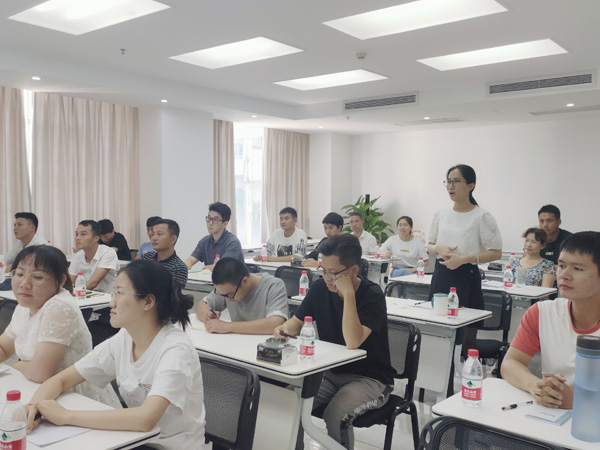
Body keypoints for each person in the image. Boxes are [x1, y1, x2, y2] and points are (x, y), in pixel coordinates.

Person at [25, 260, 208, 449]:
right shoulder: (124, 338)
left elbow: (145, 419)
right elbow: (61, 380)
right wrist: (35, 407)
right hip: (135, 440)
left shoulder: (175, 350)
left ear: (148, 302)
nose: (111, 302)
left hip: (170, 445)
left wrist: (66, 416)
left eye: (119, 293)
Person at [275, 234, 395, 450]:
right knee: (291, 401)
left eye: (333, 273)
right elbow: (295, 324)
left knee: (336, 414)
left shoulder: (372, 295)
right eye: (323, 270)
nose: (327, 278)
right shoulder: (320, 288)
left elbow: (353, 341)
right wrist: (284, 328)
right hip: (331, 373)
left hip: (371, 379)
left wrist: (348, 294)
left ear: (354, 271)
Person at [0, 245, 119, 406]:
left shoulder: (59, 306)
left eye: (37, 277)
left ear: (61, 281)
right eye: (19, 274)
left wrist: (16, 365)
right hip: (35, 387)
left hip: (71, 396)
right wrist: (24, 367)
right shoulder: (25, 306)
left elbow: (40, 373)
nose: (24, 284)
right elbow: (4, 348)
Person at [501, 231, 600, 410]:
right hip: (552, 416)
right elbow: (510, 363)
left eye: (577, 269)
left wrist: (578, 400)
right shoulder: (542, 312)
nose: (564, 275)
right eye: (561, 265)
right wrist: (536, 386)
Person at [427, 164, 502, 356]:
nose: (451, 186)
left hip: (466, 276)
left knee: (466, 337)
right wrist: (438, 248)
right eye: (448, 182)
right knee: (436, 330)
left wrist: (464, 259)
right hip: (441, 275)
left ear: (470, 185)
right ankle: (440, 370)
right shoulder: (441, 214)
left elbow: (496, 252)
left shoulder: (482, 216)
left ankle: (465, 371)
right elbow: (429, 245)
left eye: (456, 181)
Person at [196, 257, 288, 334]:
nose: (226, 299)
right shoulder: (227, 289)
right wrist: (207, 316)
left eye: (229, 294)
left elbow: (275, 323)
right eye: (222, 295)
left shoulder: (274, 286)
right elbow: (202, 304)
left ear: (245, 281)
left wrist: (227, 326)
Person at [185, 202, 244, 271]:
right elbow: (190, 260)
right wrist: (183, 267)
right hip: (211, 278)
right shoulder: (204, 242)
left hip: (231, 278)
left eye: (215, 220)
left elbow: (223, 267)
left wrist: (205, 269)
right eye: (209, 218)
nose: (210, 223)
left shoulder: (232, 243)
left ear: (225, 224)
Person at [69, 220, 118, 293]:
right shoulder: (77, 256)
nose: (77, 238)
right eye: (76, 234)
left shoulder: (108, 253)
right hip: (83, 294)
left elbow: (93, 283)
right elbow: (70, 281)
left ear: (96, 238)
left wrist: (74, 292)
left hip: (105, 297)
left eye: (83, 234)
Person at [142, 219, 188, 286]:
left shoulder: (179, 267)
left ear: (173, 239)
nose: (154, 238)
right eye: (153, 234)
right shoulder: (146, 257)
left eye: (159, 234)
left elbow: (173, 292)